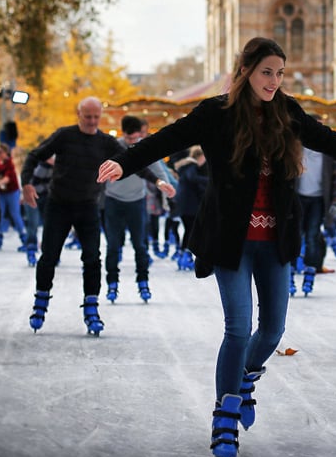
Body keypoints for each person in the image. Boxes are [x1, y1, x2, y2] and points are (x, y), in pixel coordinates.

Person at [97, 36, 336, 457]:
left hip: (274, 242)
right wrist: (126, 161)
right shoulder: (216, 114)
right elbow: (168, 139)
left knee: (271, 331)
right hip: (230, 241)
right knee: (238, 328)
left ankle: (246, 377)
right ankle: (224, 416)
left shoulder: (287, 112)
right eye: (266, 72)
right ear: (246, 71)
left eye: (279, 73)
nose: (274, 81)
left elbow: (328, 139)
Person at [21, 96, 126, 336]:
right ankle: (41, 302)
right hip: (59, 205)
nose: (91, 121)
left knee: (92, 258)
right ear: (78, 114)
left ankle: (91, 308)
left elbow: (131, 160)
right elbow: (34, 155)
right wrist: (26, 183)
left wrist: (158, 180)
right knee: (49, 256)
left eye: (96, 117)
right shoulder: (64, 135)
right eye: (87, 116)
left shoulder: (106, 142)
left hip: (88, 206)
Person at [104, 114, 176, 302]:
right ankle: (112, 282)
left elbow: (159, 170)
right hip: (113, 200)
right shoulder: (113, 147)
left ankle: (143, 281)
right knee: (112, 245)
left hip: (136, 201)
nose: (131, 142)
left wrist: (167, 189)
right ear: (123, 134)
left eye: (135, 138)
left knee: (140, 245)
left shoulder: (144, 147)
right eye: (128, 139)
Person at [291, 147, 336, 296]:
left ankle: (310, 272)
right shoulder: (296, 146)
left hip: (318, 200)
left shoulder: (329, 152)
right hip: (297, 198)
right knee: (294, 236)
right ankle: (290, 272)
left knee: (312, 236)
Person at [165, 143, 206, 272]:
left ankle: (184, 255)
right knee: (190, 230)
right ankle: (185, 255)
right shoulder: (191, 166)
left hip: (186, 205)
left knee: (189, 230)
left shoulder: (187, 166)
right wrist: (210, 181)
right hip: (189, 206)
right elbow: (192, 179)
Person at [0, 143, 26, 251]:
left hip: (12, 192)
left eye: (0, 152)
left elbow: (7, 178)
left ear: (5, 153)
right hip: (1, 193)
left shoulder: (10, 163)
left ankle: (24, 238)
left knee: (15, 214)